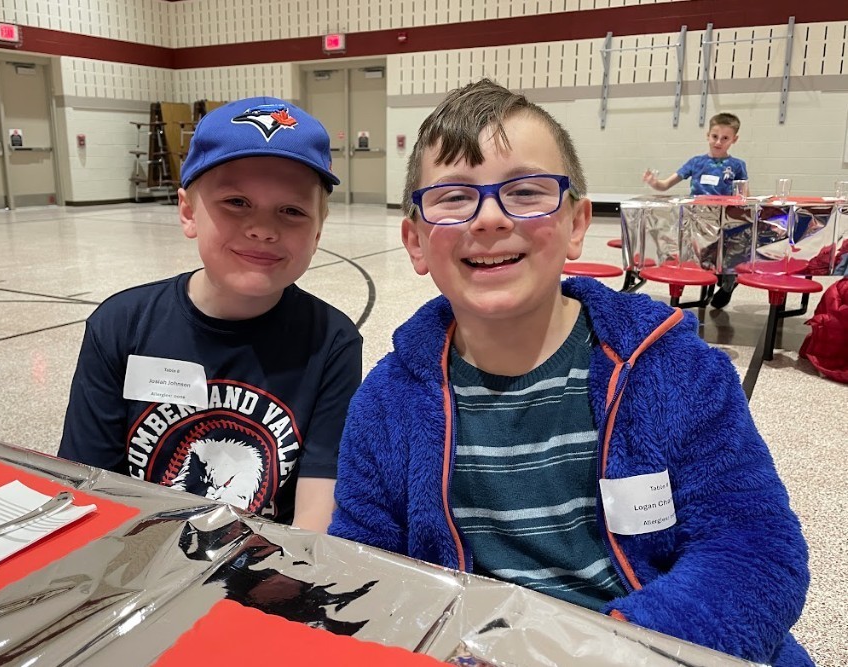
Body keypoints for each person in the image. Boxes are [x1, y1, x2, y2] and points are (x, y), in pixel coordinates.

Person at [329, 80, 812, 666]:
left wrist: (605, 651)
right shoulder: (387, 402)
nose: (488, 219)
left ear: (577, 223)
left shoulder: (676, 371)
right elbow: (366, 578)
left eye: (527, 192)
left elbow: (754, 551)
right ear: (416, 240)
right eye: (454, 197)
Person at [59, 97, 362, 532]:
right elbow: (89, 486)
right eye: (236, 202)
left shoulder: (332, 340)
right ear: (188, 212)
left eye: (292, 211)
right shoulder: (121, 325)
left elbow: (317, 507)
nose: (262, 228)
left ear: (317, 230)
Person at [642, 113, 748, 307]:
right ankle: (709, 280)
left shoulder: (737, 166)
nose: (718, 142)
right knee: (697, 255)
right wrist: (654, 182)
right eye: (715, 136)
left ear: (734, 139)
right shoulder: (696, 163)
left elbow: (743, 195)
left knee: (729, 254)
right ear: (707, 135)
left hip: (723, 220)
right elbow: (665, 185)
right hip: (697, 220)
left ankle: (728, 285)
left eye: (725, 138)